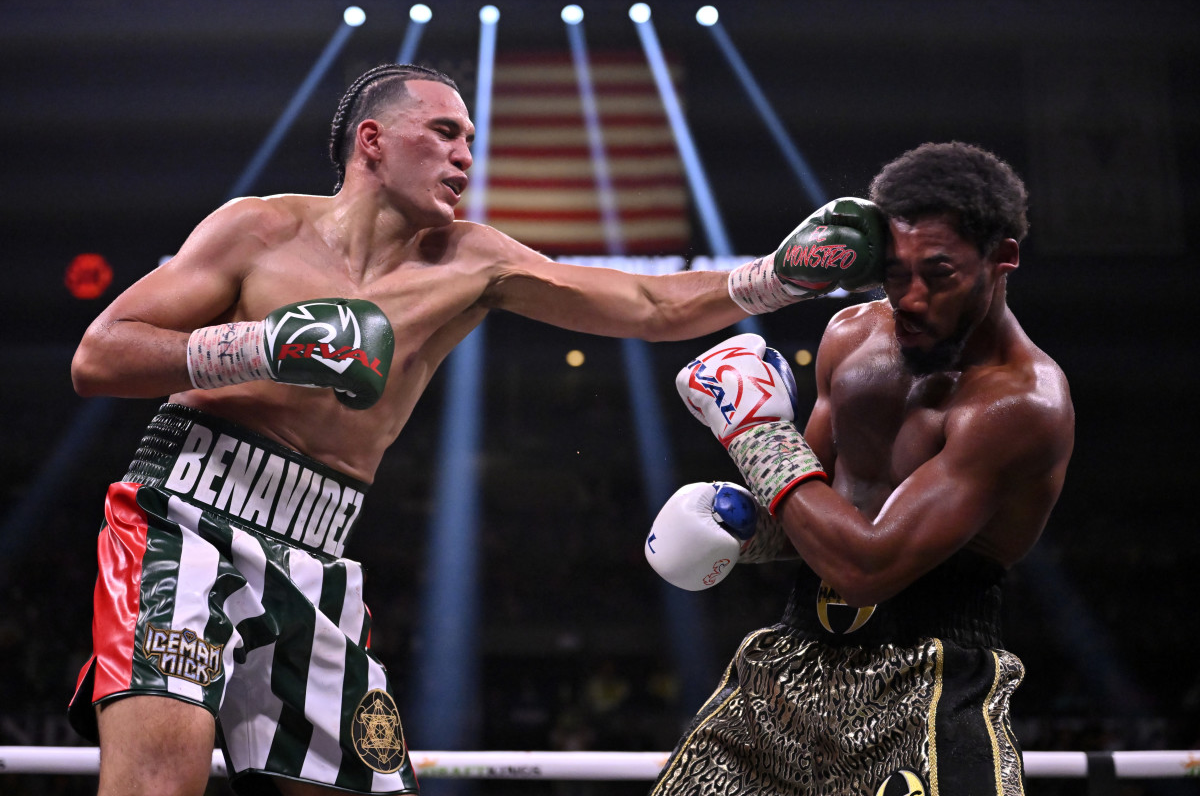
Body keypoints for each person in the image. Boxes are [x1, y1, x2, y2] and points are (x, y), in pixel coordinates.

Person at [65, 62, 885, 796]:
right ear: (374, 141)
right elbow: (101, 355)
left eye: (472, 139)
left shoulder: (471, 260)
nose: (466, 155)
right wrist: (264, 346)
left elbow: (643, 304)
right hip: (185, 520)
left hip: (319, 550)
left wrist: (775, 279)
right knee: (158, 783)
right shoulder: (259, 228)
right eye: (446, 133)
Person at [646, 141, 1075, 796]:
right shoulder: (851, 336)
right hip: (785, 669)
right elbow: (809, 515)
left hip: (927, 685)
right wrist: (740, 526)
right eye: (895, 272)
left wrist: (755, 432)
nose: (909, 297)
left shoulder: (1019, 403)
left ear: (1002, 257)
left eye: (939, 273)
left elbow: (867, 569)